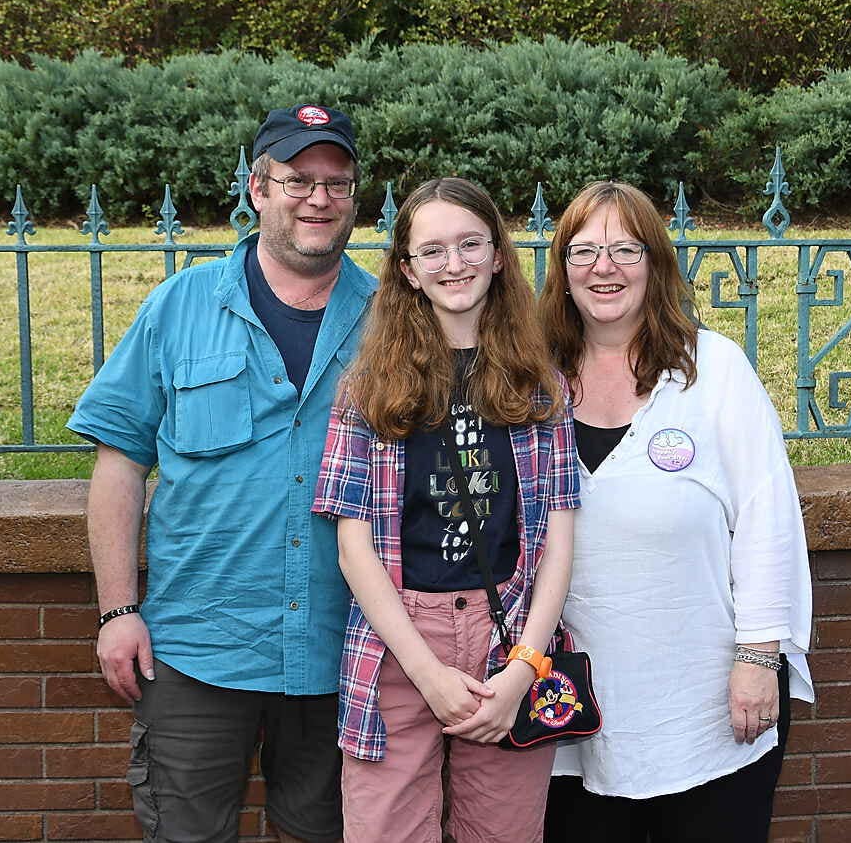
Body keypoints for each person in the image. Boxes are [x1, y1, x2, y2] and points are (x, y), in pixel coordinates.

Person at [66, 104, 376, 843]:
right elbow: (118, 462)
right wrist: (117, 611)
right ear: (257, 188)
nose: (319, 198)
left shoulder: (395, 313)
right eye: (298, 179)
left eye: (338, 183)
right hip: (199, 648)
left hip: (350, 648)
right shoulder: (179, 306)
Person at [538, 181, 814, 842]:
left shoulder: (712, 368)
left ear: (655, 264)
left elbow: (766, 517)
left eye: (624, 249)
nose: (603, 267)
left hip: (704, 706)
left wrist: (757, 656)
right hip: (565, 710)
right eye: (583, 251)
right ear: (562, 269)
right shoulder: (531, 376)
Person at [312, 177, 579, 843]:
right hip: (399, 639)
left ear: (496, 255)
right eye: (431, 251)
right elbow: (354, 547)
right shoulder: (367, 390)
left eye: (468, 244)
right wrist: (427, 674)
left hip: (509, 635)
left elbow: (558, 541)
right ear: (406, 270)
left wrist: (523, 668)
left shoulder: (540, 386)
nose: (452, 263)